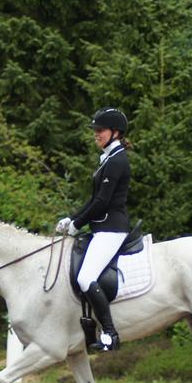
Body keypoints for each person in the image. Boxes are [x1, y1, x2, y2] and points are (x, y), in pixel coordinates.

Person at [55, 107, 131, 351]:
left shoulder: (117, 160)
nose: (96, 134)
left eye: (101, 130)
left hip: (112, 229)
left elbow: (102, 202)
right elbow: (94, 200)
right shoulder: (107, 158)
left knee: (86, 277)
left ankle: (110, 334)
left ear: (115, 132)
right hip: (103, 227)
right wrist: (72, 218)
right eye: (95, 130)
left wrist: (78, 224)